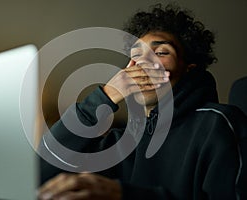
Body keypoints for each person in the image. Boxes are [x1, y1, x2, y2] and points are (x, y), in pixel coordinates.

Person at [37, 3, 247, 200]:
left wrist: (124, 194)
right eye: (136, 55)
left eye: (161, 52)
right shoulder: (121, 143)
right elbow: (40, 172)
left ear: (189, 68)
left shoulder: (218, 125)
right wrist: (104, 97)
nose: (143, 63)